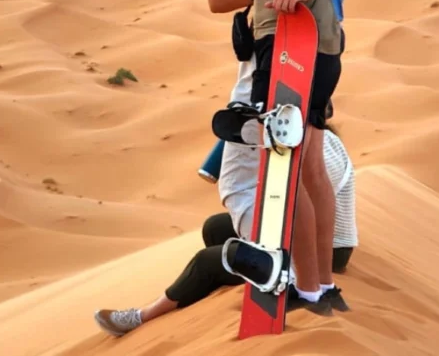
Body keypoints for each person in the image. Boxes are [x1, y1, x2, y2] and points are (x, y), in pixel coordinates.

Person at [201, 0, 384, 311]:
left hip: (291, 49)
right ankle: (320, 285)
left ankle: (305, 287)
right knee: (306, 169)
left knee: (283, 167)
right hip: (298, 45)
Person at [93, 124, 358, 337]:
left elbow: (298, 206)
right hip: (321, 237)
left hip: (326, 250)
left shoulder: (313, 156)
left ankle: (144, 315)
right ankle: (212, 284)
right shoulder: (320, 139)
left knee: (208, 260)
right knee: (215, 227)